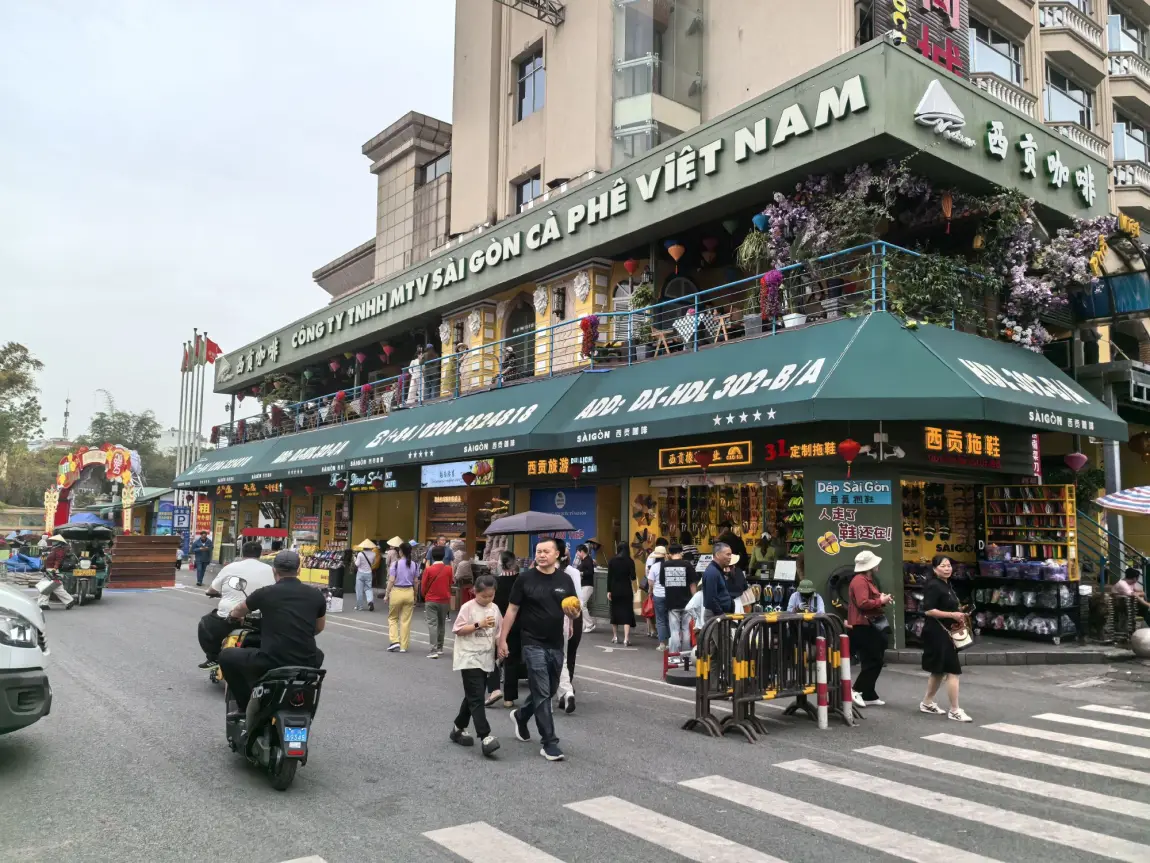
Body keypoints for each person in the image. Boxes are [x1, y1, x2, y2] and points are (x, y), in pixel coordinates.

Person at [497, 537, 579, 762]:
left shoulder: (565, 580)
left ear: (557, 554)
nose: (541, 555)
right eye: (538, 551)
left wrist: (573, 617)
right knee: (542, 691)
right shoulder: (525, 579)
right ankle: (549, 742)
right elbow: (512, 610)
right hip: (532, 641)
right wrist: (502, 639)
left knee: (550, 689)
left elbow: (573, 608)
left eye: (546, 551)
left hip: (556, 642)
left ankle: (521, 716)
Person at [219, 550, 326, 720]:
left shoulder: (265, 593)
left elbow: (240, 609)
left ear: (274, 570)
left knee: (226, 656)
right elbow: (319, 627)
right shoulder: (316, 595)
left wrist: (233, 615)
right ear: (299, 570)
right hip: (307, 661)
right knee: (318, 654)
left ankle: (244, 706)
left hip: (272, 660)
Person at [198, 541, 276, 667]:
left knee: (205, 623)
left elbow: (212, 589)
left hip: (229, 617)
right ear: (260, 554)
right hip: (260, 619)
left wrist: (214, 593)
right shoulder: (271, 570)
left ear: (242, 553)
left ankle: (214, 657)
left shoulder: (230, 567)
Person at [450, 573, 502, 757]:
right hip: (468, 656)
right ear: (475, 592)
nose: (488, 599)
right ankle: (485, 736)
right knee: (477, 696)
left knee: (473, 695)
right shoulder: (468, 607)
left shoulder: (495, 608)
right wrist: (479, 624)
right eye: (484, 596)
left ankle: (458, 728)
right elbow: (457, 629)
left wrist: (502, 646)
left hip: (486, 658)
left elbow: (498, 631)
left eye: (491, 595)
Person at [919, 555, 972, 722]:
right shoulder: (933, 585)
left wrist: (959, 613)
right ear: (935, 569)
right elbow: (928, 610)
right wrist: (952, 615)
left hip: (947, 631)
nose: (947, 568)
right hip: (938, 633)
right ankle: (955, 710)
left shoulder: (946, 584)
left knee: (938, 671)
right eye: (943, 566)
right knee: (953, 670)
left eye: (949, 565)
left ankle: (927, 702)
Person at [848, 550, 894, 709]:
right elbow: (863, 603)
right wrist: (881, 601)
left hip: (868, 624)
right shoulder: (860, 581)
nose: (878, 564)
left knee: (872, 660)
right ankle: (856, 690)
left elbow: (867, 600)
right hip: (864, 625)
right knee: (874, 660)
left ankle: (868, 694)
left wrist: (881, 599)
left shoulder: (865, 580)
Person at [555, 540, 583, 714]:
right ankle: (567, 690)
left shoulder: (550, 573)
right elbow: (577, 598)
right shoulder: (573, 573)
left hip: (555, 618)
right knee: (567, 656)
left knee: (554, 656)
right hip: (572, 615)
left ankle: (562, 692)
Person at [493, 550, 521, 708]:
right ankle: (509, 697)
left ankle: (497, 691)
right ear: (514, 563)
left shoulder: (495, 582)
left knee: (496, 657)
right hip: (518, 624)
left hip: (498, 624)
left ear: (500, 563)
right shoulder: (521, 580)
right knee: (514, 659)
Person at [660, 545, 696, 654]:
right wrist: (694, 600)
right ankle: (686, 654)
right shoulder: (687, 565)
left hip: (672, 602)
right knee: (686, 629)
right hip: (687, 602)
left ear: (670, 554)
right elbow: (692, 584)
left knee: (674, 630)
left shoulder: (665, 565)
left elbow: (662, 583)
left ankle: (674, 654)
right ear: (681, 552)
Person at [385, 541, 419, 652]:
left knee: (393, 618)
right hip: (409, 592)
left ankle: (394, 641)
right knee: (406, 621)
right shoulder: (415, 565)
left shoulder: (395, 564)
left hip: (397, 591)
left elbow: (391, 580)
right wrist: (415, 595)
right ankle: (404, 646)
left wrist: (387, 594)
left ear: (401, 552)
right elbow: (416, 581)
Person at [422, 545, 454, 658]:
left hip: (431, 599)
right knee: (442, 623)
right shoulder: (449, 569)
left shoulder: (428, 570)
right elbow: (450, 583)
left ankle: (433, 650)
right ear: (444, 555)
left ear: (432, 556)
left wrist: (425, 595)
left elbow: (423, 586)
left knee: (432, 624)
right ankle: (440, 647)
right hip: (444, 599)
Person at [607, 542, 637, 646]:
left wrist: (609, 591)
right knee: (627, 613)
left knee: (614, 612)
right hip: (626, 590)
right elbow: (633, 577)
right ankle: (626, 639)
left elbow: (609, 577)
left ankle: (615, 637)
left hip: (615, 589)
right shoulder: (630, 561)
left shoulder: (612, 561)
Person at [701, 542, 735, 622]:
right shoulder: (712, 572)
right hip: (716, 616)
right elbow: (711, 599)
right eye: (727, 554)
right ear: (718, 555)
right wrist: (721, 615)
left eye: (730, 555)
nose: (730, 557)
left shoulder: (717, 570)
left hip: (720, 616)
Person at [38, 537, 75, 610]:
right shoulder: (53, 549)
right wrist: (44, 567)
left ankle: (43, 603)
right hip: (49, 570)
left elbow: (58, 561)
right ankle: (69, 601)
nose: (52, 542)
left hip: (53, 571)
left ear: (59, 542)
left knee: (46, 587)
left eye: (54, 541)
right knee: (55, 588)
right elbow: (48, 560)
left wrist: (54, 569)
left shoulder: (59, 550)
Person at [646, 543, 668, 646]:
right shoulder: (669, 565)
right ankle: (670, 642)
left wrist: (650, 591)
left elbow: (650, 582)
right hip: (669, 595)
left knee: (660, 620)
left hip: (658, 595)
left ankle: (662, 644)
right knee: (669, 618)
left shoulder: (654, 567)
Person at [573, 544, 596, 633]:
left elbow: (591, 572)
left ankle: (590, 625)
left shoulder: (588, 560)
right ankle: (585, 625)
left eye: (577, 552)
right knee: (581, 605)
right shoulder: (584, 560)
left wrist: (580, 573)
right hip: (583, 585)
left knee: (581, 605)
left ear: (581, 551)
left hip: (587, 585)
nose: (577, 554)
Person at [352, 539, 377, 611]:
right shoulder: (373, 554)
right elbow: (373, 563)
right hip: (369, 573)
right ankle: (370, 602)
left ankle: (359, 606)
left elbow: (357, 564)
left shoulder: (360, 554)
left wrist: (354, 559)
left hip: (360, 573)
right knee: (368, 588)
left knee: (359, 590)